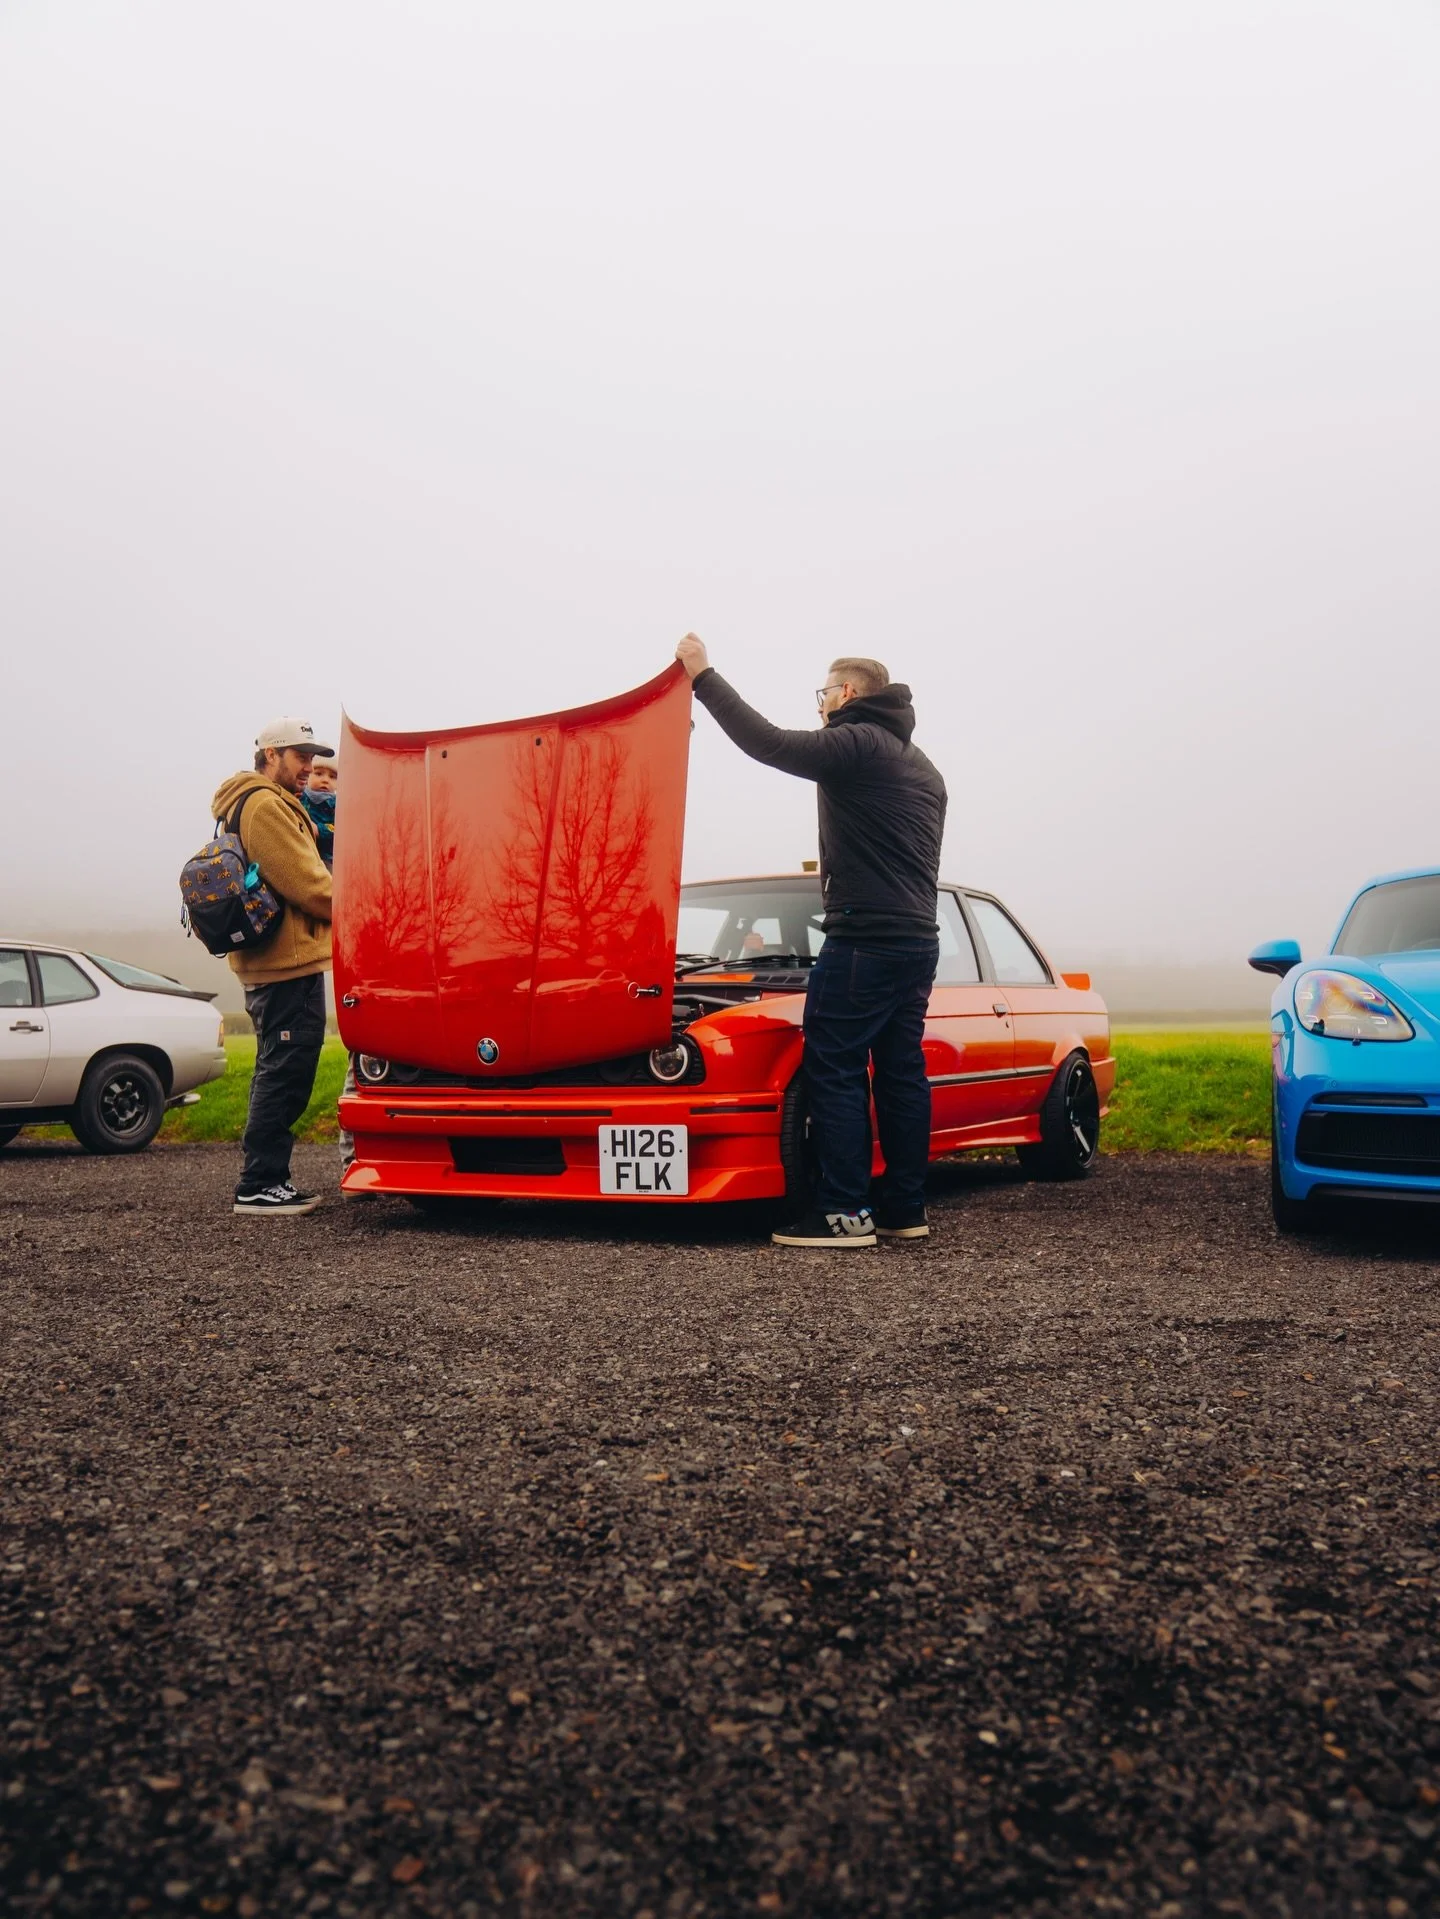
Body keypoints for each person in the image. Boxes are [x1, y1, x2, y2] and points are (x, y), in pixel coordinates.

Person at [675, 636, 947, 1249]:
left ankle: (843, 1214)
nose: (820, 704)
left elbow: (769, 743)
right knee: (901, 1072)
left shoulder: (855, 742)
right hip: (917, 939)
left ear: (846, 694)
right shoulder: (921, 765)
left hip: (863, 939)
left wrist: (704, 677)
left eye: (824, 692)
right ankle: (904, 1208)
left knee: (836, 1067)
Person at [211, 719, 335, 1216]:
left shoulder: (261, 801)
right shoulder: (265, 806)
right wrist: (372, 906)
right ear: (270, 754)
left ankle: (266, 1180)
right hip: (285, 962)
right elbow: (309, 885)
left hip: (278, 959)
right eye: (298, 755)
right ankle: (260, 1183)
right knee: (285, 1070)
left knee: (280, 1067)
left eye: (311, 756)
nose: (308, 766)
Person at [301, 751, 338, 867]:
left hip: (326, 858)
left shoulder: (337, 804)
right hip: (302, 852)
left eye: (332, 777)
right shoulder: (300, 797)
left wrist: (319, 829)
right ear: (308, 776)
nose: (325, 780)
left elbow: (341, 830)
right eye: (318, 774)